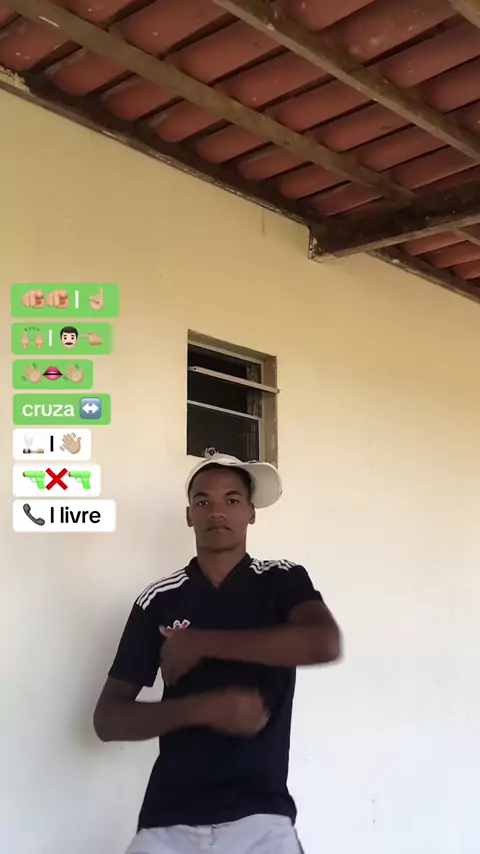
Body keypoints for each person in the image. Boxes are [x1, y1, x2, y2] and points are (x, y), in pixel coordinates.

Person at [94, 451, 342, 853]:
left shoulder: (281, 580)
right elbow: (107, 719)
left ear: (251, 513)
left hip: (261, 820)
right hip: (169, 821)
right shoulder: (159, 599)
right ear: (189, 515)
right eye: (203, 501)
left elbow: (323, 642)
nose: (217, 511)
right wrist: (202, 709)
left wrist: (201, 642)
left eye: (232, 499)